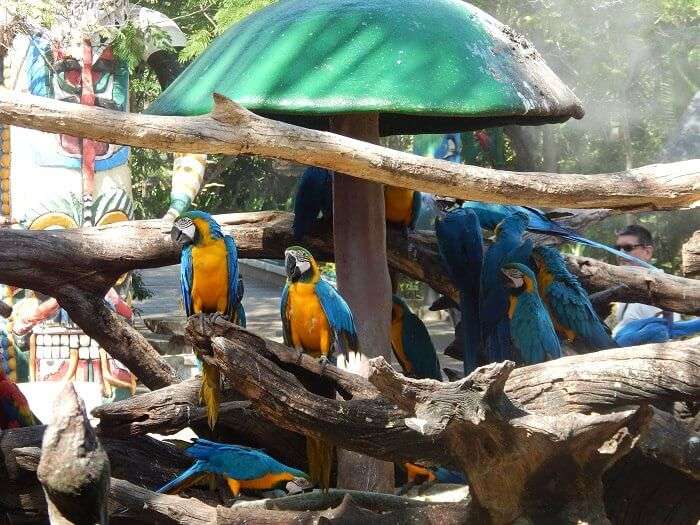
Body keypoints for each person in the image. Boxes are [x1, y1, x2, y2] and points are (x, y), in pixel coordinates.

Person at [612, 224, 679, 337]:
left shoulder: (661, 284)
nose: (620, 254)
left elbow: (670, 333)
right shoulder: (627, 284)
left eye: (628, 248)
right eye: (618, 249)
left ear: (647, 252)